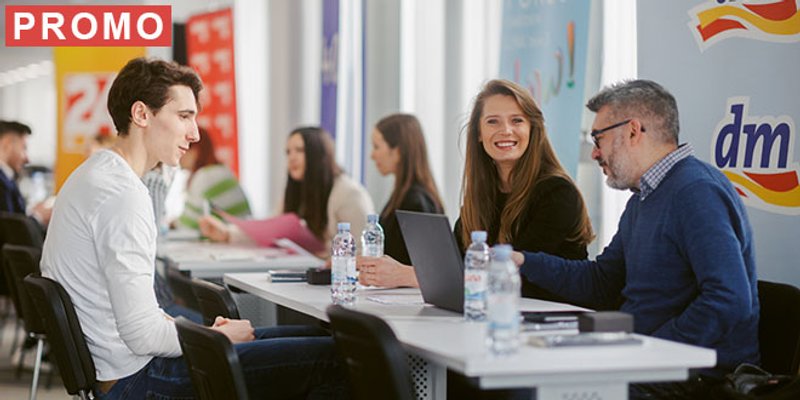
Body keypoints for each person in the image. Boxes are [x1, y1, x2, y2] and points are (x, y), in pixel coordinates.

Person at [40, 57, 349, 399]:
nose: (195, 133)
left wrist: (208, 332)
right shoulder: (122, 195)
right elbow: (142, 334)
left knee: (304, 338)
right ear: (142, 114)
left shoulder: (96, 175)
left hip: (122, 369)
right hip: (138, 380)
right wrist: (216, 337)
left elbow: (141, 321)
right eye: (184, 116)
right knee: (339, 358)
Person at [513, 79, 759, 399]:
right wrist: (523, 261)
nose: (595, 152)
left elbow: (729, 300)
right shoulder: (644, 198)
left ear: (632, 131)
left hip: (692, 378)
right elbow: (603, 282)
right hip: (645, 362)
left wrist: (650, 349)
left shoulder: (696, 191)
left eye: (598, 138)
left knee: (531, 391)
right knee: (525, 379)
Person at [358, 80, 593, 298]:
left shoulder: (557, 193)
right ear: (479, 134)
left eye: (517, 120)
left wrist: (407, 275)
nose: (506, 130)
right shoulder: (482, 195)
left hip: (552, 324)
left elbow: (514, 277)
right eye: (493, 121)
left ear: (533, 130)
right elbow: (454, 265)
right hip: (494, 317)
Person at [199, 127, 374, 255]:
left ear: (318, 154)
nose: (292, 157)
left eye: (299, 150)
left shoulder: (348, 193)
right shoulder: (295, 191)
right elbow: (270, 232)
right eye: (288, 152)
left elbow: (362, 250)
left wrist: (325, 254)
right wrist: (226, 233)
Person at [366, 113, 444, 266]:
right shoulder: (403, 195)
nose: (372, 155)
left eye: (376, 147)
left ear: (398, 151)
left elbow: (425, 265)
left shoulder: (415, 201)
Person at [177, 127, 251, 230]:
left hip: (234, 241)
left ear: (195, 151)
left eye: (181, 149)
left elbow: (188, 225)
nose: (177, 156)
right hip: (241, 237)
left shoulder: (204, 177)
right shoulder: (219, 170)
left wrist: (173, 224)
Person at [0, 120, 51, 228]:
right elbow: (9, 229)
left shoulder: (7, 179)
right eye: (24, 148)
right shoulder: (2, 182)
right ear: (7, 144)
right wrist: (38, 217)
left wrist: (31, 213)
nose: (27, 159)